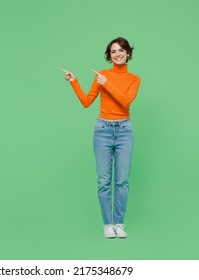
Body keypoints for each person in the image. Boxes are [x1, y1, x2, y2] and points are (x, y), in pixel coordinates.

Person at [59, 37, 141, 238]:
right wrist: (74, 82)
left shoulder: (134, 79)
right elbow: (87, 102)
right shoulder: (101, 75)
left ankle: (119, 223)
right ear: (109, 55)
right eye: (113, 51)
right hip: (103, 130)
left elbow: (125, 102)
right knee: (104, 180)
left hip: (124, 131)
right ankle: (108, 225)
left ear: (128, 53)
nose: (118, 54)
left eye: (121, 50)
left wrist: (108, 84)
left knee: (122, 180)